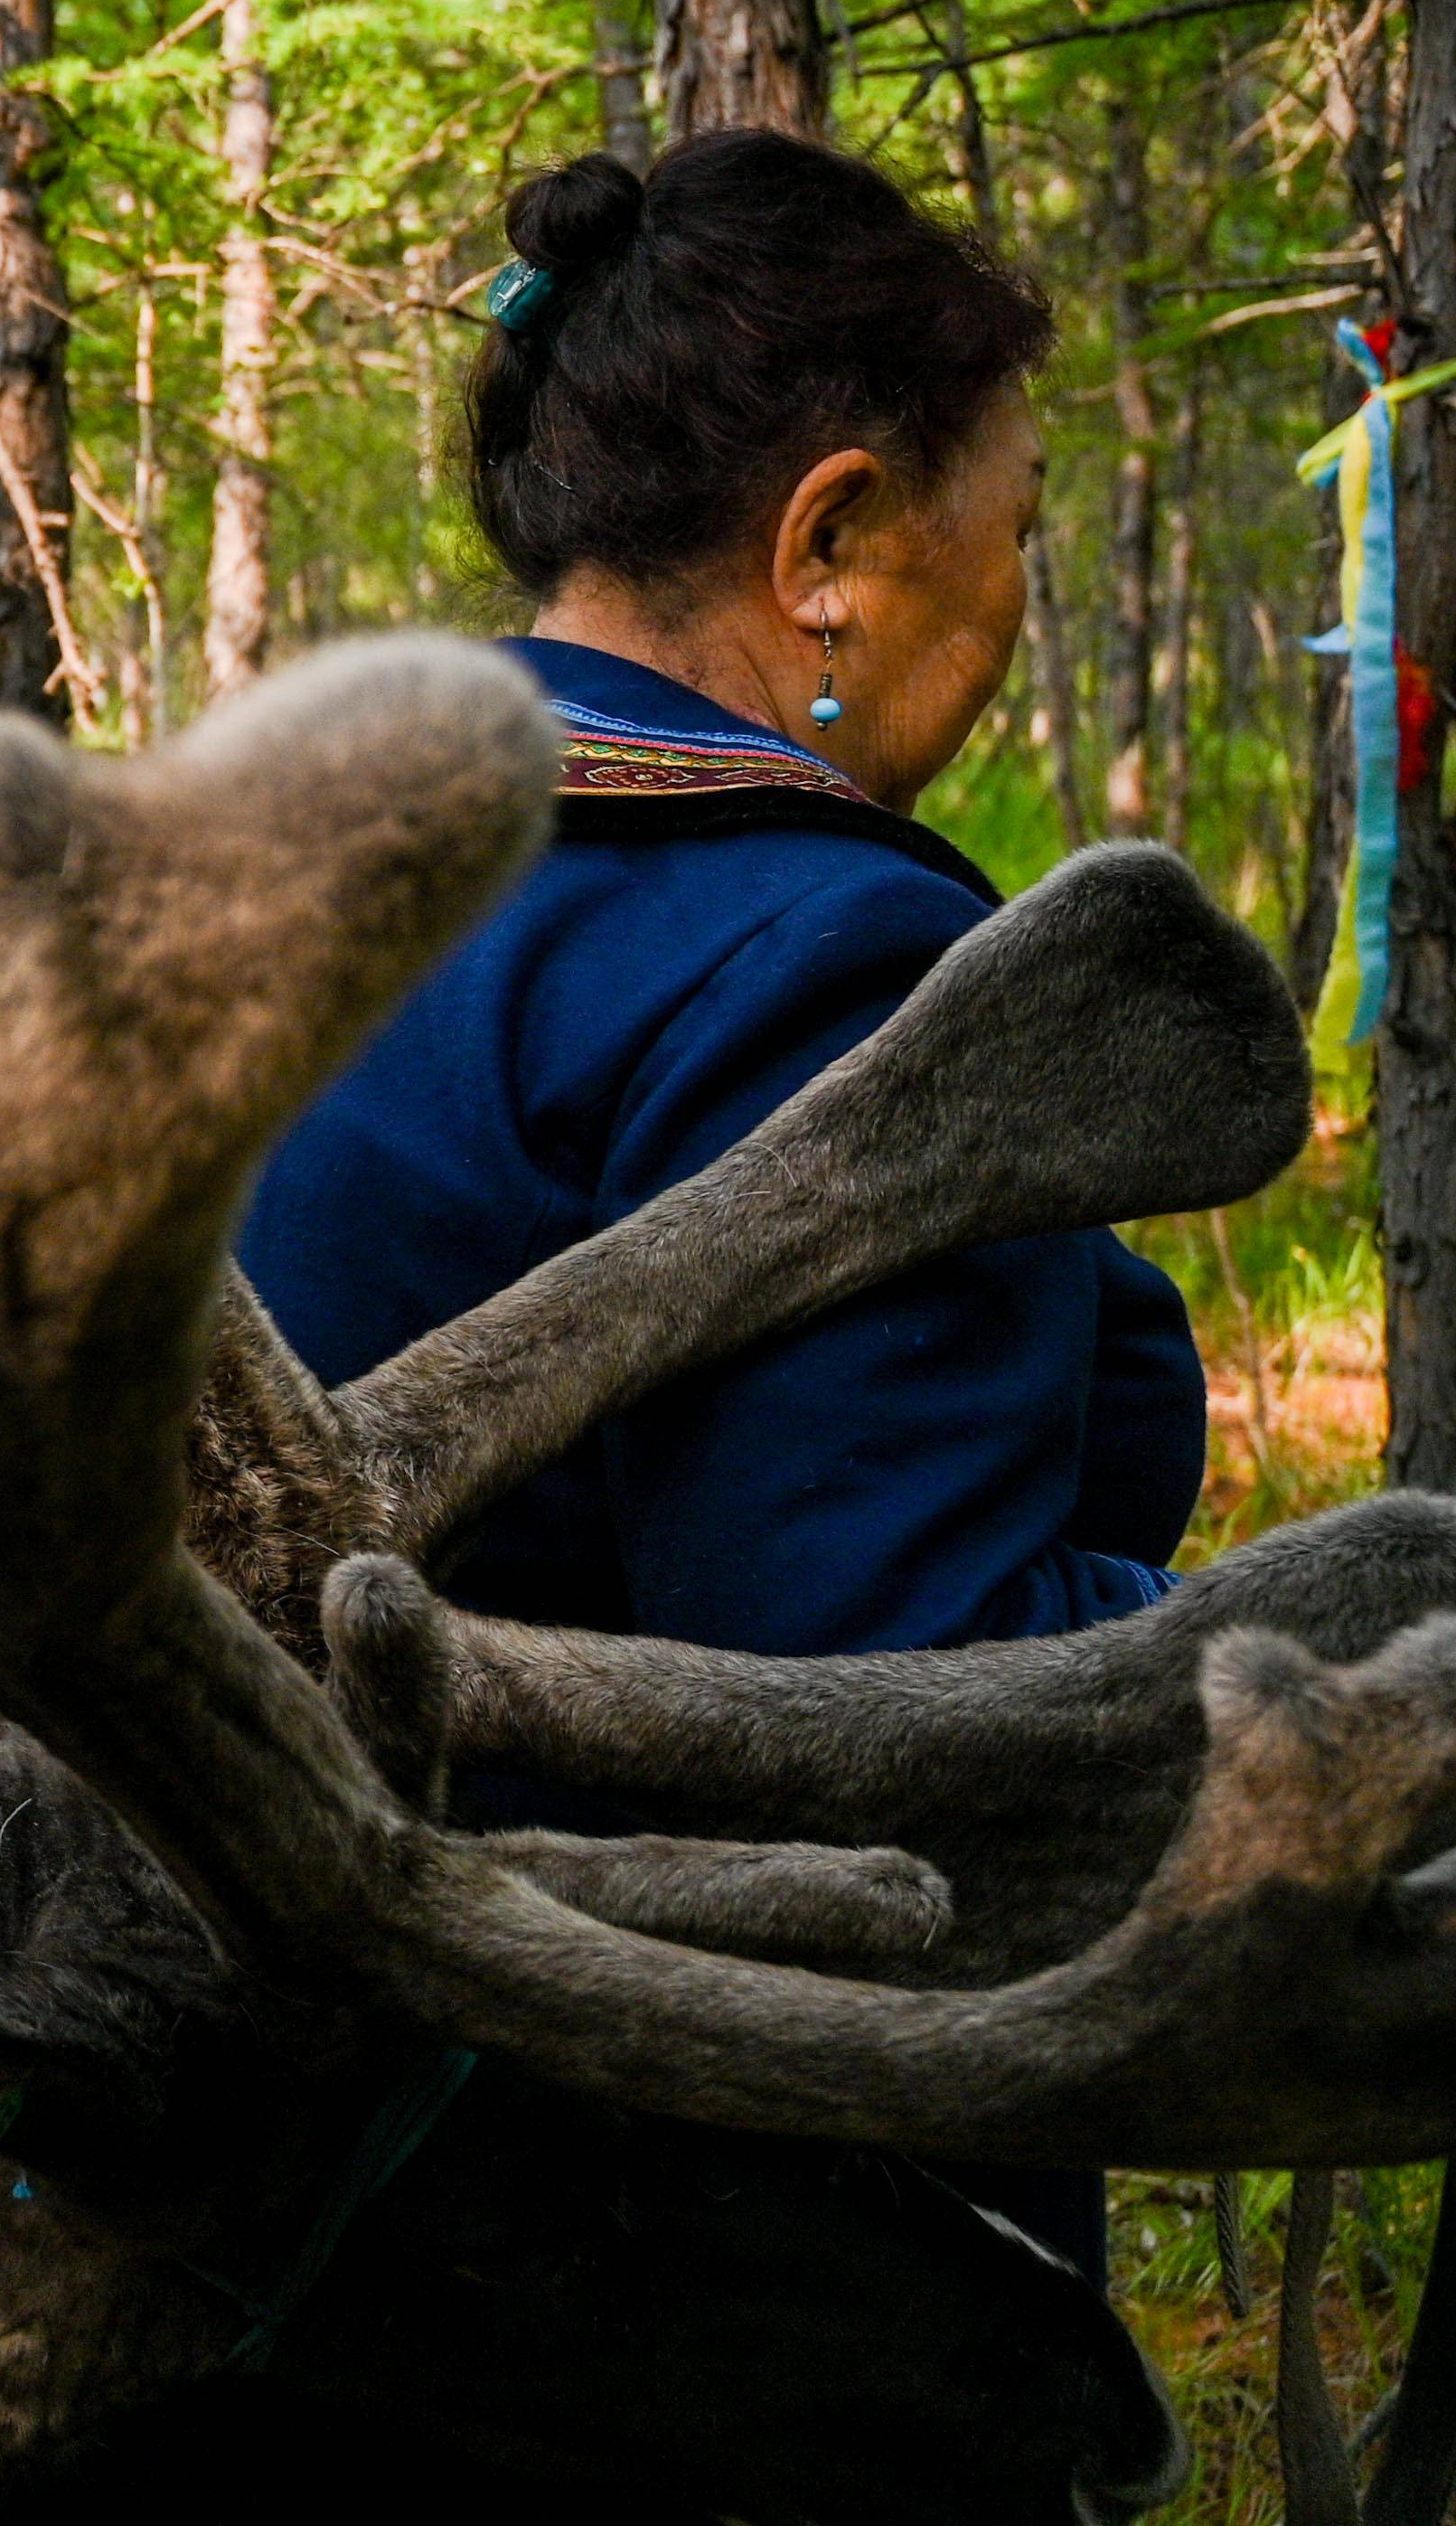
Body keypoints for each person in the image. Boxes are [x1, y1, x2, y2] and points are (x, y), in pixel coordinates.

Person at [232, 129, 1197, 2258]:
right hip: (679, 2212)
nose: (1022, 598)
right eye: (1013, 523)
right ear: (834, 538)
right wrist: (1320, 1684)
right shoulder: (819, 967)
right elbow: (892, 1726)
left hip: (235, 2107)